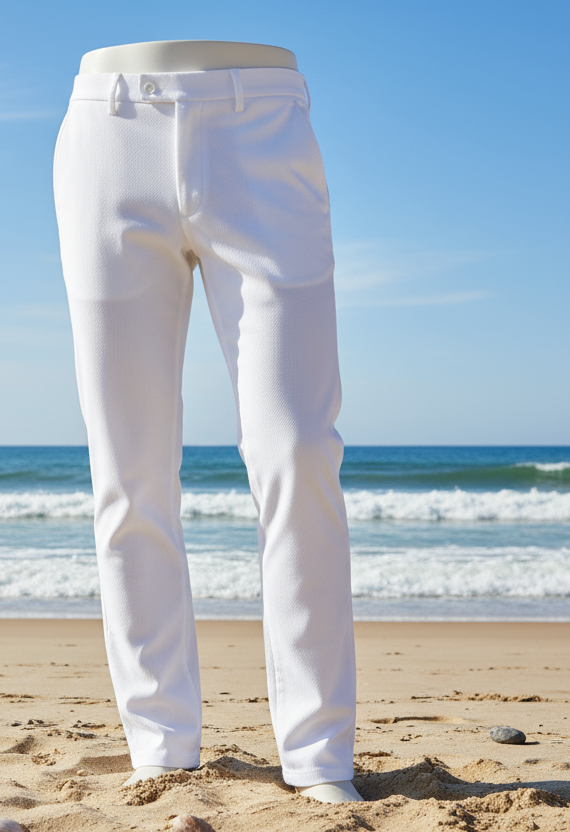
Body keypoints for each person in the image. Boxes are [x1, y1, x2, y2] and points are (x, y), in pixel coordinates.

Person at [52, 39, 361, 804]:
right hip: (108, 130)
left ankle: (319, 757)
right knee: (128, 469)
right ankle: (160, 746)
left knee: (299, 450)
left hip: (263, 124)